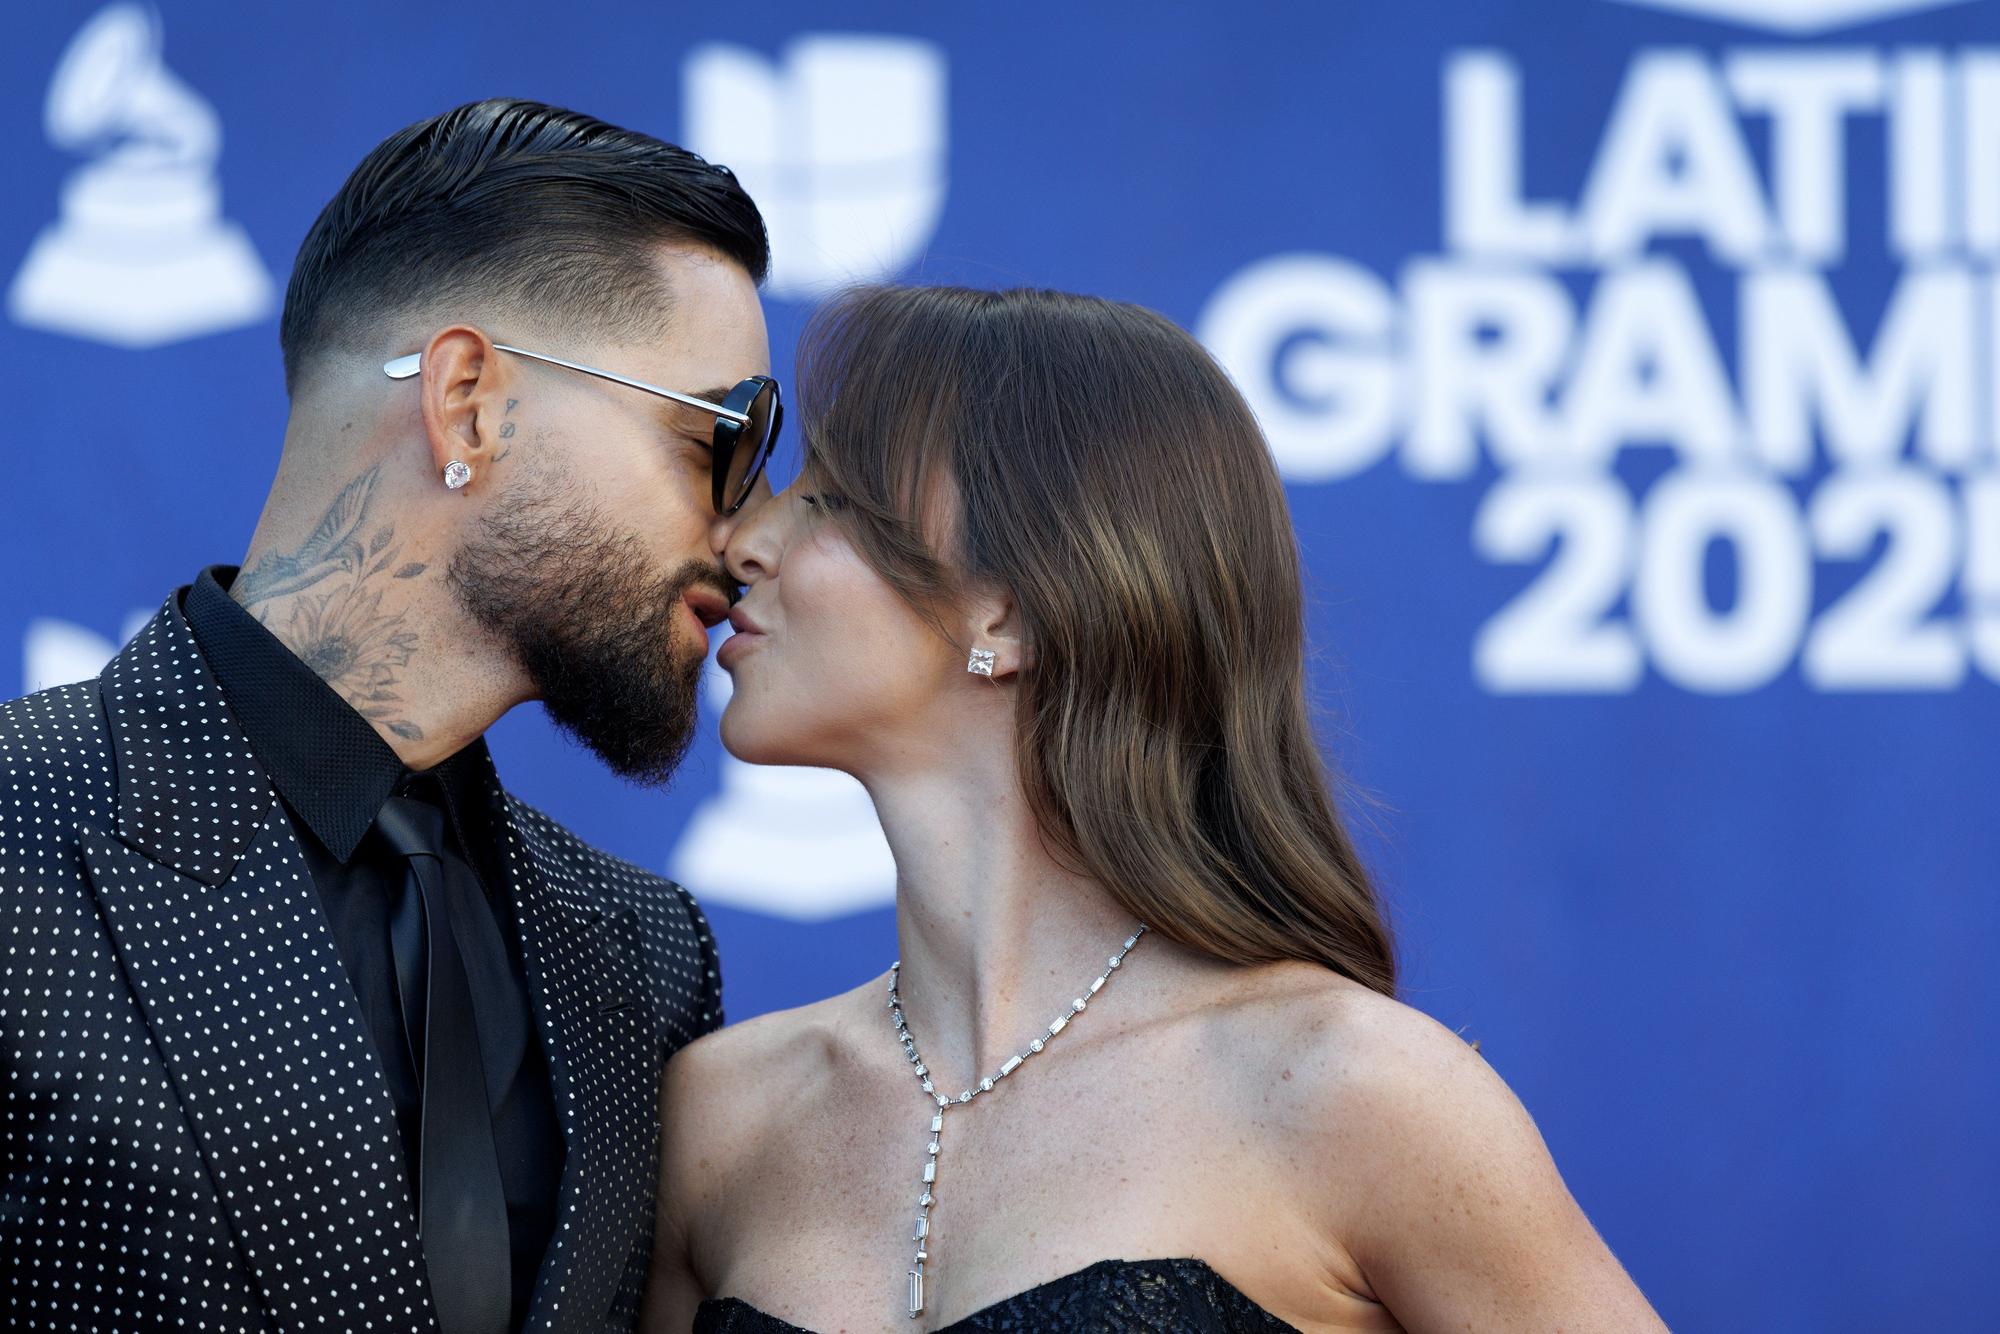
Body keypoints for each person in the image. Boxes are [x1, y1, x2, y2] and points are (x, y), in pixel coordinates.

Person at [643, 286, 1668, 1333]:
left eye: (829, 499)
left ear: (1013, 605)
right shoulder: (723, 1116)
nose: (743, 538)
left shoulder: (1353, 1092)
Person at [0, 98, 778, 1334]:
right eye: (716, 441)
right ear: (468, 401)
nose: (745, 533)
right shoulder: (17, 832)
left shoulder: (646, 952)